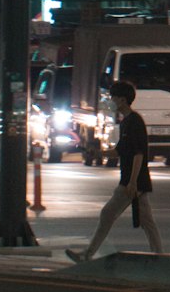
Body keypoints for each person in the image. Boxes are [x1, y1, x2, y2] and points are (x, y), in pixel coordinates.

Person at [66, 80, 163, 261]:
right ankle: (160, 257)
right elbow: (121, 150)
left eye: (113, 98)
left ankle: (87, 255)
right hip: (132, 181)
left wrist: (132, 182)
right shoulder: (126, 122)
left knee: (107, 214)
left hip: (132, 182)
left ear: (122, 100)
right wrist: (98, 152)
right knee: (147, 223)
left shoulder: (135, 122)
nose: (110, 101)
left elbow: (138, 154)